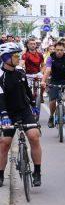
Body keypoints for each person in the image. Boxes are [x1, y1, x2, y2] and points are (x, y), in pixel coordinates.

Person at [0, 43, 42, 187]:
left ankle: (37, 172)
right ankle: (0, 175)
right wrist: (4, 115)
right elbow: (1, 98)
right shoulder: (1, 75)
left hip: (23, 110)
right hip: (7, 112)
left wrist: (33, 105)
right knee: (4, 143)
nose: (19, 58)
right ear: (6, 57)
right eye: (16, 55)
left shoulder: (20, 72)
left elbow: (27, 91)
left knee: (34, 136)